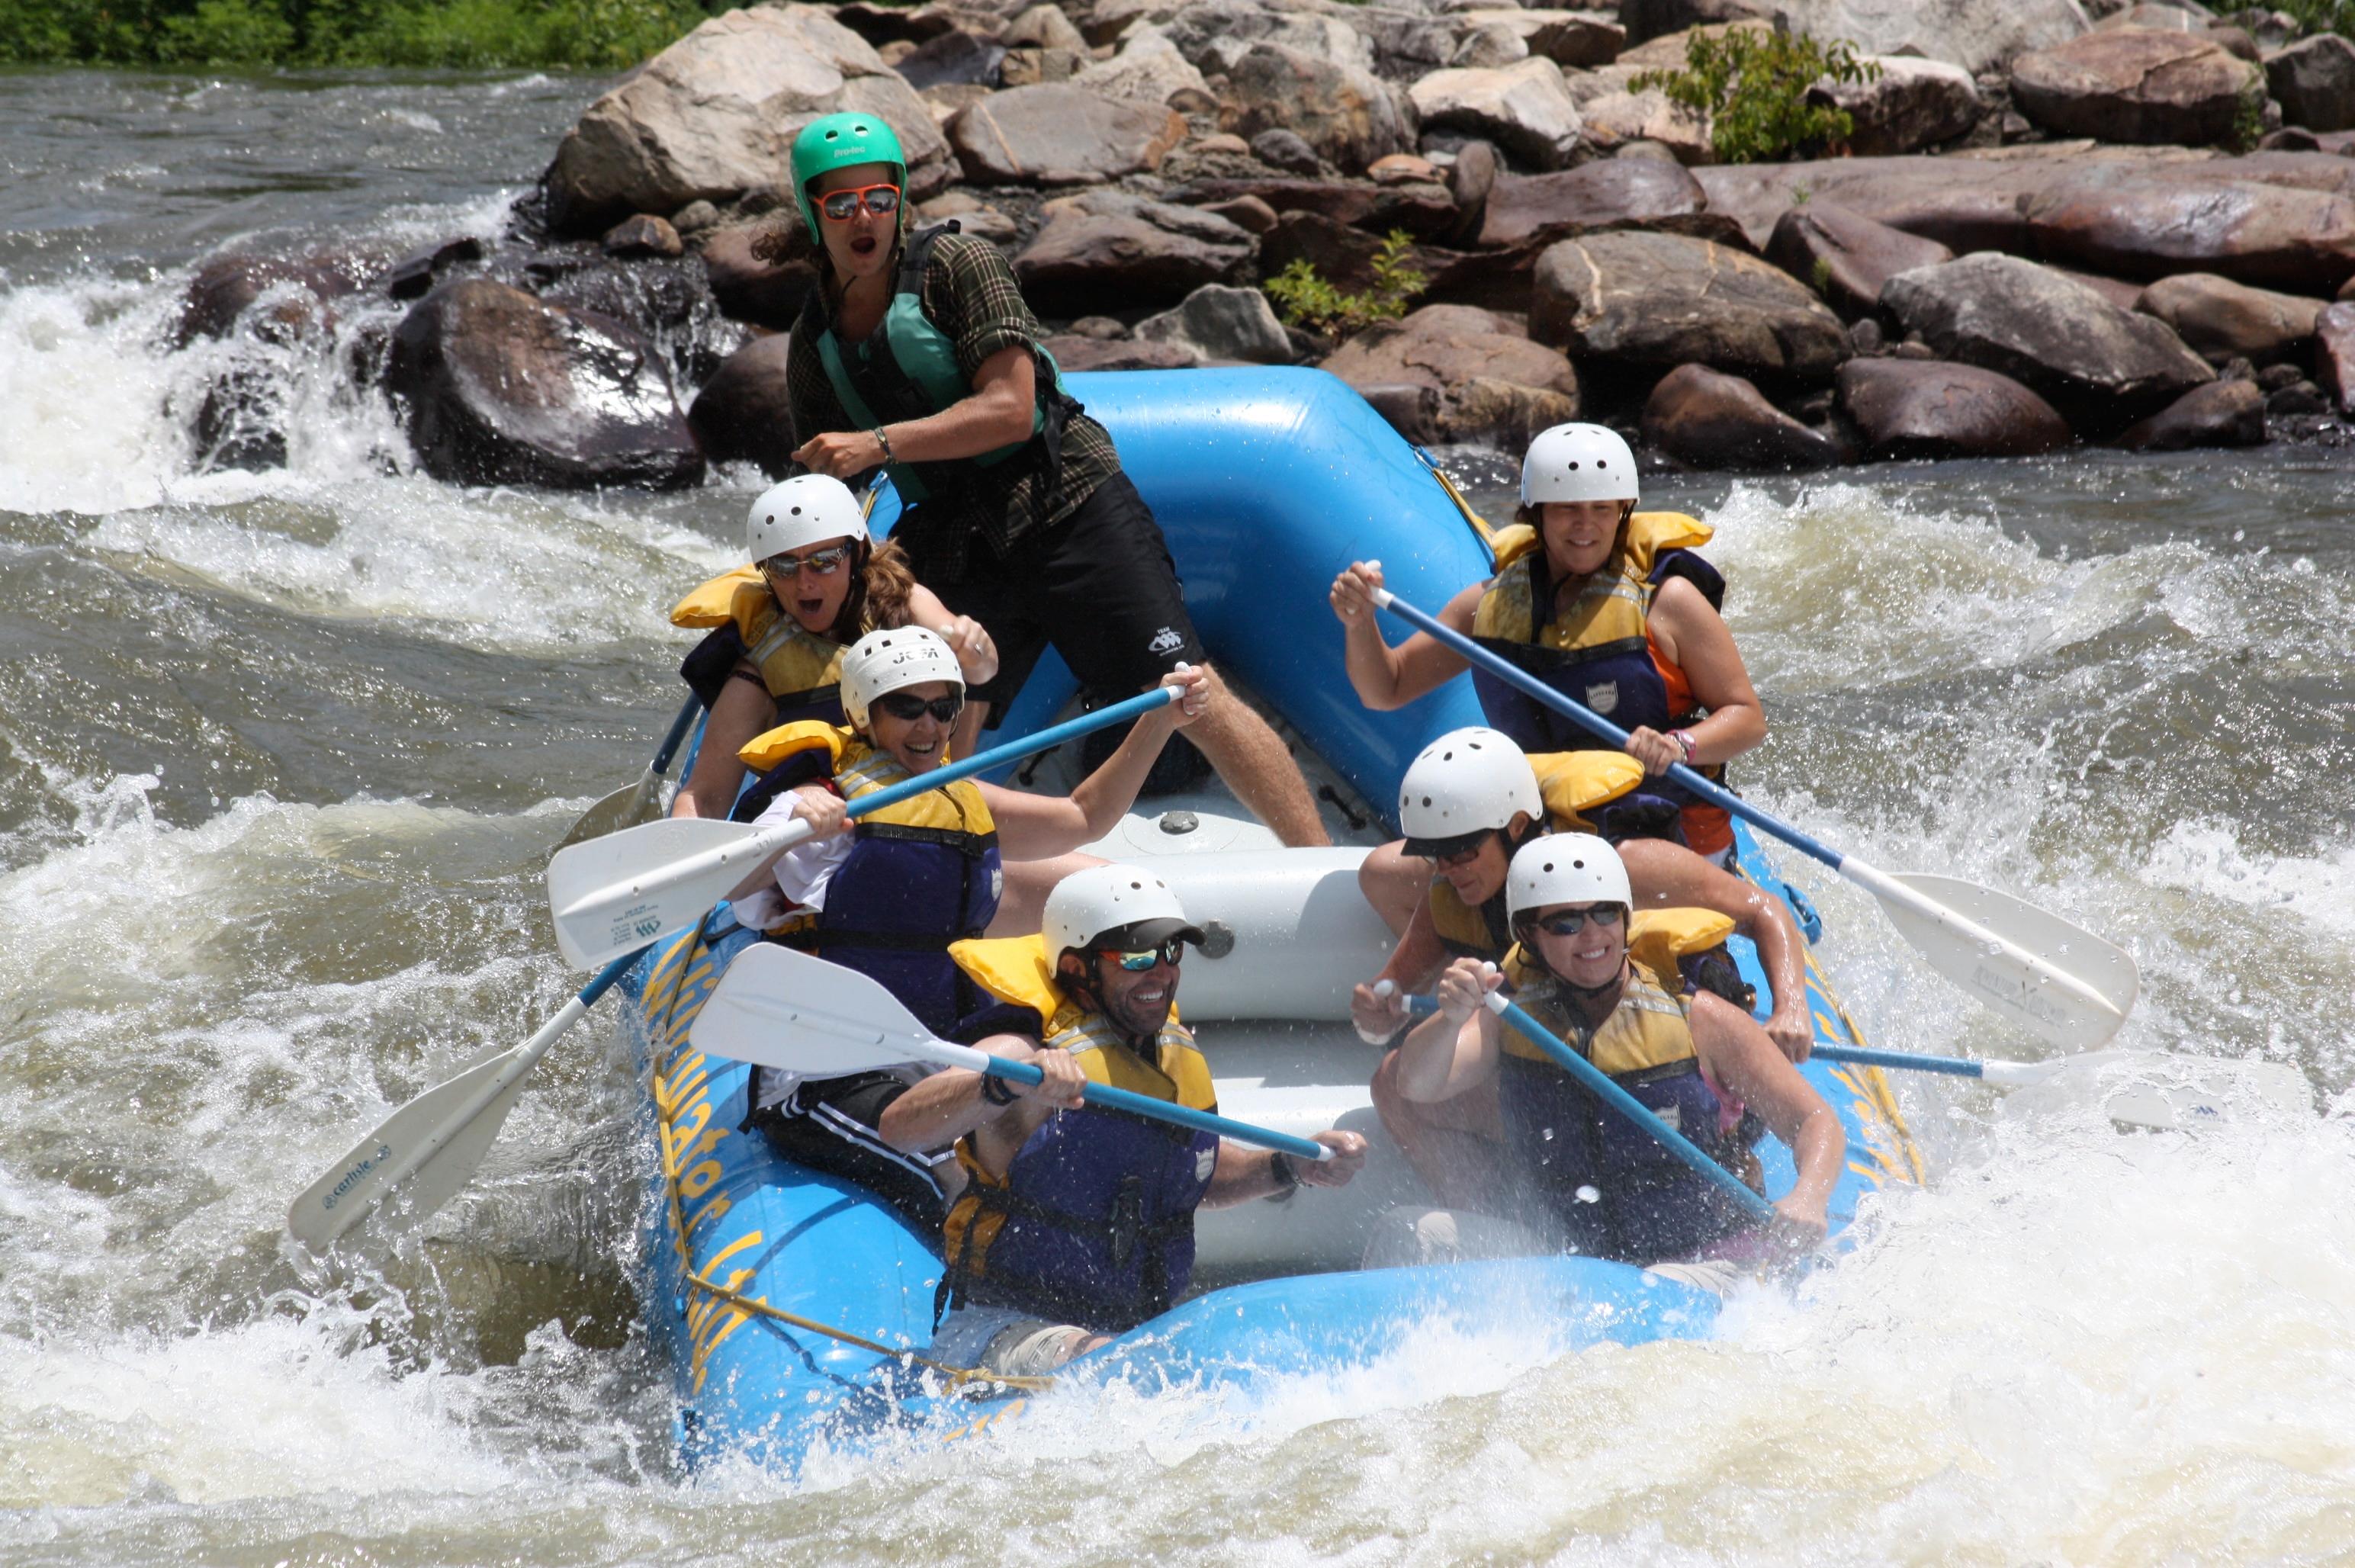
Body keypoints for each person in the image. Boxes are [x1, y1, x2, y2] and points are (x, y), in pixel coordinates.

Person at [768, 111, 1329, 848]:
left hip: (1062, 497)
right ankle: (942, 874)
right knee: (927, 706)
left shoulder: (959, 266)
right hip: (953, 526)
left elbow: (1011, 408)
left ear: (900, 198)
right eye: (840, 205)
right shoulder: (815, 338)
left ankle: (1315, 862)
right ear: (813, 215)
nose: (862, 217)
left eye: (877, 197)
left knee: (1187, 686)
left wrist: (877, 442)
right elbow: (820, 494)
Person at [721, 628, 1210, 1232]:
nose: (928, 726)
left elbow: (1084, 815)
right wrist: (790, 829)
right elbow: (730, 888)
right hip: (824, 1075)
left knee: (1052, 1160)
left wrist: (1160, 722)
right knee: (947, 1174)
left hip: (935, 1059)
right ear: (862, 713)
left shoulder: (961, 796)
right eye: (906, 707)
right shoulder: (815, 803)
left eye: (942, 708)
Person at [878, 864, 1367, 1377]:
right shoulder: (1020, 1048)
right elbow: (901, 1127)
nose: (1161, 972)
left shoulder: (1166, 1051)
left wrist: (1287, 1166)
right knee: (1111, 1362)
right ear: (1077, 968)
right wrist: (1005, 1082)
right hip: (999, 1328)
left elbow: (1193, 1173)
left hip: (1131, 1329)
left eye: (1171, 952)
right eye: (1137, 956)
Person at [1345, 727, 1817, 1210]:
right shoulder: (1450, 891)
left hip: (1674, 1072)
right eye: (1436, 856)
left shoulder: (1619, 868)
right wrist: (1377, 1012)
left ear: (1515, 827)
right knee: (1394, 1085)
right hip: (1560, 1071)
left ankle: (1729, 1154)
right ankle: (1497, 1225)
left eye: (1464, 851)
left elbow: (1763, 909)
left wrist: (1792, 1007)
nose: (1448, 869)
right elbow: (1389, 995)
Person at [1375, 834, 1839, 1284]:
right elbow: (1415, 1084)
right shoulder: (1509, 1019)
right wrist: (1450, 1019)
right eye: (1565, 923)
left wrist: (1809, 1198)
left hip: (1704, 1261)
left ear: (1625, 919)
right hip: (1569, 1261)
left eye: (1604, 914)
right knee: (1408, 1233)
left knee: (1652, 1286)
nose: (1592, 935)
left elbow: (1815, 1121)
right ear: (1529, 935)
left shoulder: (1701, 1019)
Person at [1329, 423, 1765, 863]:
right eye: (1567, 509)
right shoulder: (1487, 605)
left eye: (1602, 508)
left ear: (1623, 513)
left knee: (1616, 865)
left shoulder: (1669, 602)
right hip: (1540, 832)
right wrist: (1359, 622)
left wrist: (1679, 745)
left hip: (1664, 835)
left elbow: (1748, 718)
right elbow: (1386, 688)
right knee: (1381, 870)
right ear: (1536, 513)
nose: (1586, 525)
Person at [669, 473, 998, 821]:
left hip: (925, 808)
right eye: (783, 566)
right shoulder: (759, 673)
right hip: (824, 827)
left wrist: (973, 647)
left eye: (824, 560)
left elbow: (982, 670)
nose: (804, 582)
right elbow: (703, 797)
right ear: (765, 571)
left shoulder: (904, 605)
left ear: (856, 553)